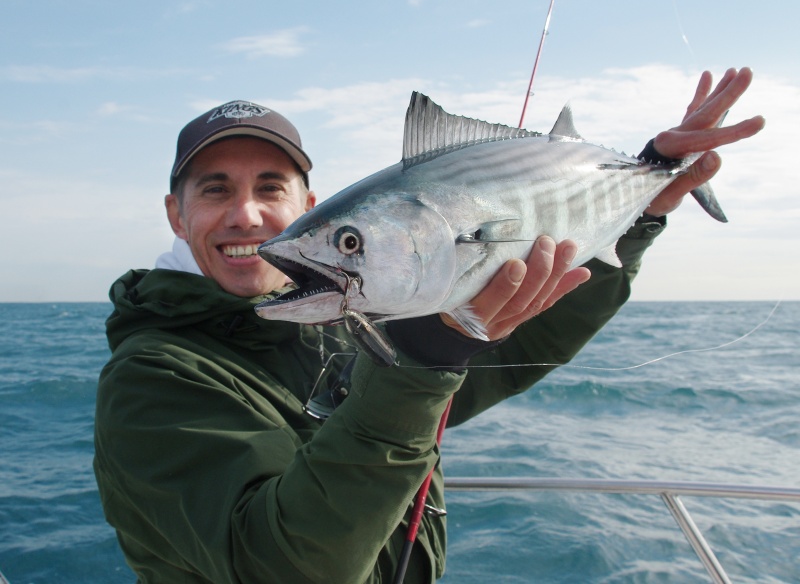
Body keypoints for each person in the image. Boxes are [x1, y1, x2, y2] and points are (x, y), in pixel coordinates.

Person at [94, 68, 764, 583]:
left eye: (270, 188)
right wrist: (419, 361)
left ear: (306, 205)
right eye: (215, 189)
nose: (246, 216)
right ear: (176, 216)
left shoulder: (347, 321)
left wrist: (646, 198)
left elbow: (518, 346)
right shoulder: (153, 375)